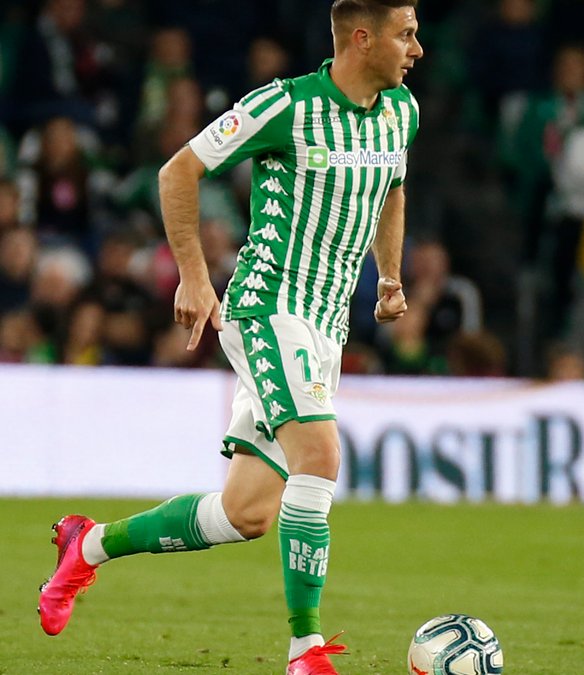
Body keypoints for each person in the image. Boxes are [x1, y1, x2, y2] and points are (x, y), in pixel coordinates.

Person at [36, 2, 424, 674]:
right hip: (269, 306)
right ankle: (306, 650)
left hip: (326, 324)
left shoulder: (401, 112)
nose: (417, 49)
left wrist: (388, 276)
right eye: (406, 35)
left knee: (246, 514)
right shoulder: (285, 106)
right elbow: (177, 171)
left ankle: (87, 545)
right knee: (320, 455)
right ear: (362, 39)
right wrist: (194, 277)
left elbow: (392, 188)